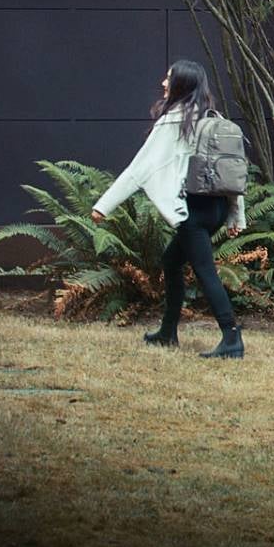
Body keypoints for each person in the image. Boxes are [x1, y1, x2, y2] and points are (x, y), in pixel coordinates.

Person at [90, 60, 247, 360]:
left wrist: (103, 206)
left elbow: (138, 169)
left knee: (205, 272)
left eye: (169, 78)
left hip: (191, 213)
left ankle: (231, 338)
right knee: (171, 260)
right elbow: (235, 171)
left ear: (181, 86)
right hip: (215, 209)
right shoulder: (213, 118)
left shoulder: (173, 122)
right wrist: (235, 215)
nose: (163, 83)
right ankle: (167, 331)